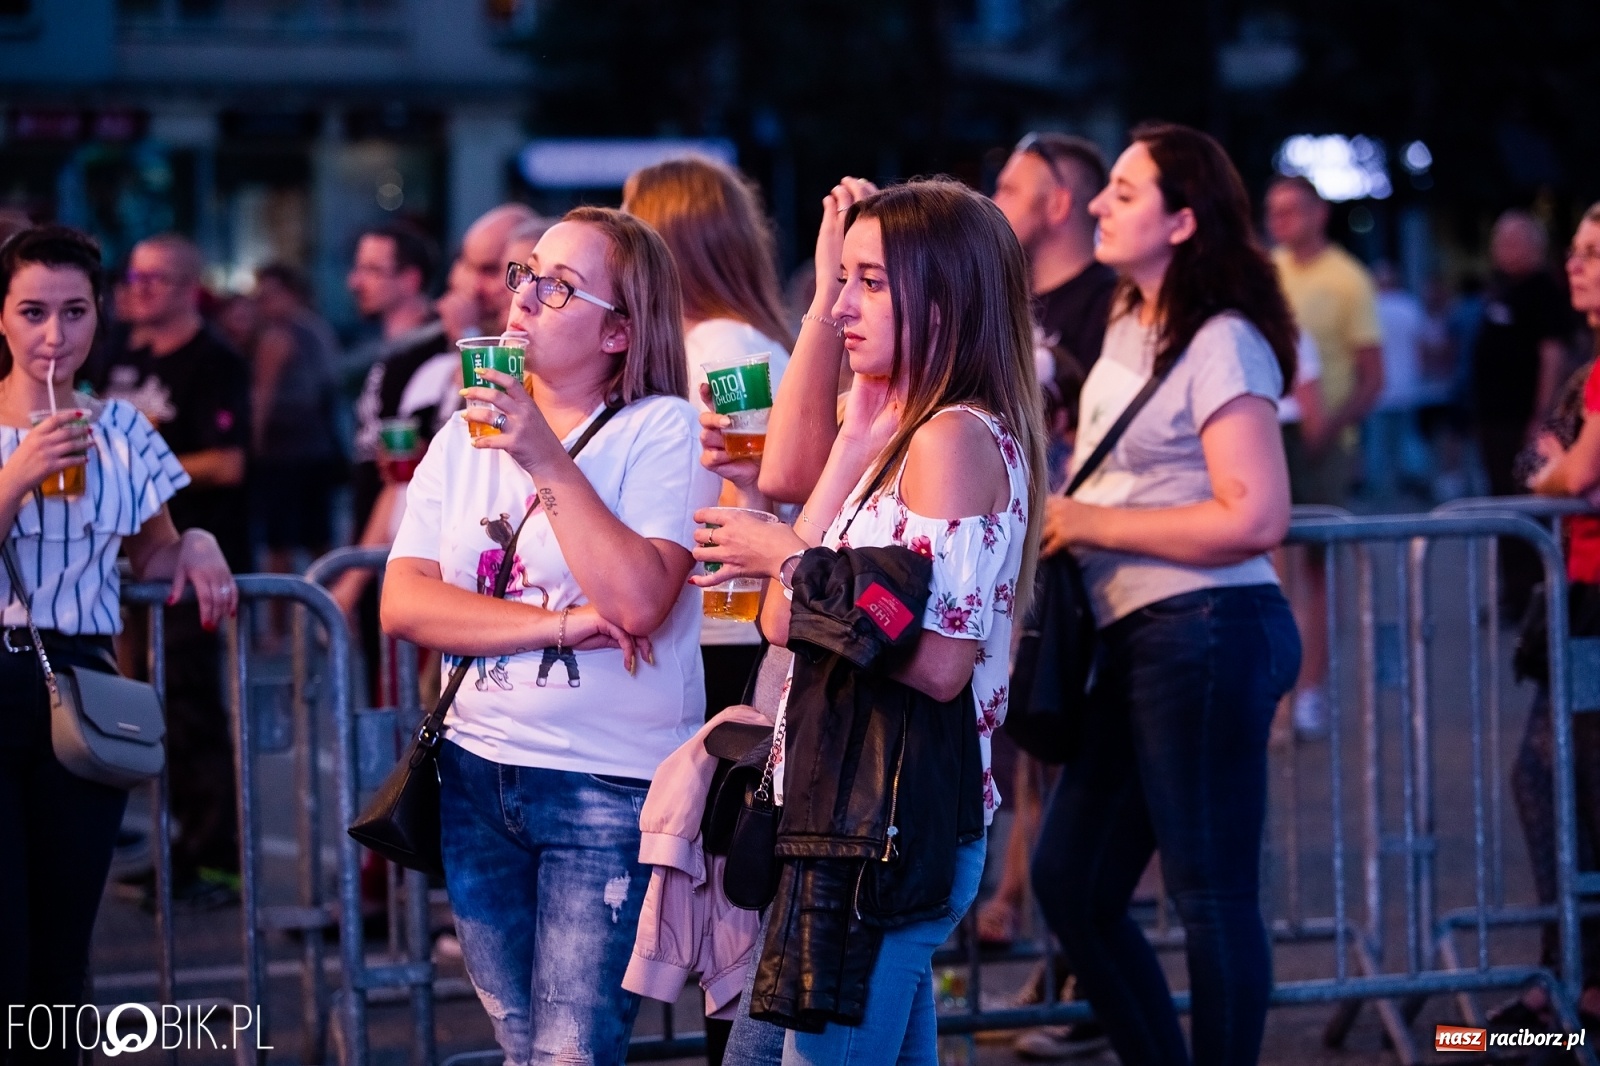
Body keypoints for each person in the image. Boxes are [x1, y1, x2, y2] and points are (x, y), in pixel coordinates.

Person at [698, 176, 1047, 1065]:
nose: (841, 306)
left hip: (885, 828)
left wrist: (785, 554)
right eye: (840, 280)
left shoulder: (952, 439)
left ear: (945, 298)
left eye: (869, 283)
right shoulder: (899, 430)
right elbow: (783, 620)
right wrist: (849, 444)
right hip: (849, 822)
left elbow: (938, 664)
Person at [381, 206, 719, 1065]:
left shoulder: (665, 431)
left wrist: (544, 456)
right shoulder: (463, 435)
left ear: (620, 333)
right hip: (477, 768)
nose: (524, 295)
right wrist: (564, 623)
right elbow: (407, 602)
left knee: (572, 1053)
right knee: (521, 1041)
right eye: (526, 273)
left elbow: (639, 599)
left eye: (558, 287)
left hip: (602, 783)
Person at [1029, 123, 1302, 1066]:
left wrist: (1089, 521)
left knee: (1211, 893)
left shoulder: (1222, 340)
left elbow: (1257, 513)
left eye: (1124, 191)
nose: (1100, 204)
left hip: (1208, 627)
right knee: (1069, 881)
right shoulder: (1127, 321)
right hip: (1146, 635)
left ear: (1184, 222)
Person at [0, 225, 235, 1055]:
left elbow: (158, 547)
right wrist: (15, 477)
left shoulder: (125, 430)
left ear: (99, 316)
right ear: (1, 319)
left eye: (73, 311)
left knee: (64, 946)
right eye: (32, 311)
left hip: (82, 680)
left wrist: (196, 545)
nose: (53, 335)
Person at [94, 232, 251, 903]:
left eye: (155, 278)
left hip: (190, 558)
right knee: (138, 708)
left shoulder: (214, 360)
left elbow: (229, 460)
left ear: (190, 286)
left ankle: (215, 857)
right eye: (133, 276)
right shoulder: (121, 354)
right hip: (125, 564)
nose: (138, 288)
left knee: (189, 707)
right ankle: (174, 844)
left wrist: (133, 471)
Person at [622, 156, 795, 719]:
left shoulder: (718, 350)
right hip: (724, 620)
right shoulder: (734, 340)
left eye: (629, 220)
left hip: (718, 626)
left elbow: (739, 487)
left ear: (666, 241)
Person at [1512, 202, 1600, 1028]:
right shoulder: (1587, 363)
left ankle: (1568, 988)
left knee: (1558, 781)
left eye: (1593, 253)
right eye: (1572, 251)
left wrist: (1553, 474)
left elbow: (1567, 472)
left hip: (1596, 603)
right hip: (1577, 596)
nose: (1576, 265)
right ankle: (1562, 979)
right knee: (1555, 779)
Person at [1264, 174, 1382, 737]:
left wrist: (1331, 428)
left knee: (1315, 571)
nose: (1281, 221)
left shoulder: (1348, 279)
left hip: (1325, 442)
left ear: (1319, 214)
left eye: (1292, 211)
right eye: (1274, 211)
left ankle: (1310, 690)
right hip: (1271, 436)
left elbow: (1371, 376)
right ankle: (1281, 686)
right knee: (1273, 569)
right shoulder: (1267, 271)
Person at [1474, 209, 1572, 619]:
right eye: (1499, 242)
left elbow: (1553, 354)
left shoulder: (1543, 291)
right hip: (1493, 417)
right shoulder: (1500, 289)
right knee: (1502, 504)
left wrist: (1540, 414)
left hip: (1522, 419)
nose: (1504, 250)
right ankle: (1513, 594)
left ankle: (1536, 596)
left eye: (1513, 242)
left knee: (1526, 509)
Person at [991, 132, 1118, 379]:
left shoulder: (1109, 310)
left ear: (1057, 205)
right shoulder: (1002, 296)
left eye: (1009, 191)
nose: (994, 203)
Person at [249, 263, 343, 573]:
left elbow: (262, 393)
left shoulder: (278, 335)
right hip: (318, 447)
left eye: (269, 295)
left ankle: (277, 622)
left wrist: (253, 445)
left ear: (290, 294)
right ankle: (333, 611)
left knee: (281, 545)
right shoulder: (318, 328)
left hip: (284, 452)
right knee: (319, 541)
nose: (262, 303)